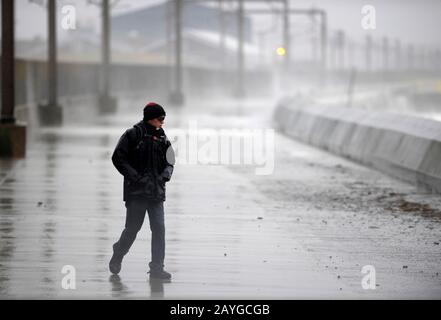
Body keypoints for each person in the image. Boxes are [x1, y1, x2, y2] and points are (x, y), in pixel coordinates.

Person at [109, 102, 175, 280]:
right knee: (132, 229)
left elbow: (170, 160)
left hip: (156, 193)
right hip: (137, 193)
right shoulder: (132, 134)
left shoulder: (163, 137)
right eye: (160, 119)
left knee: (159, 229)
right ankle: (119, 252)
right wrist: (135, 177)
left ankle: (157, 269)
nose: (162, 123)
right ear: (151, 119)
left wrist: (165, 175)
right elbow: (118, 157)